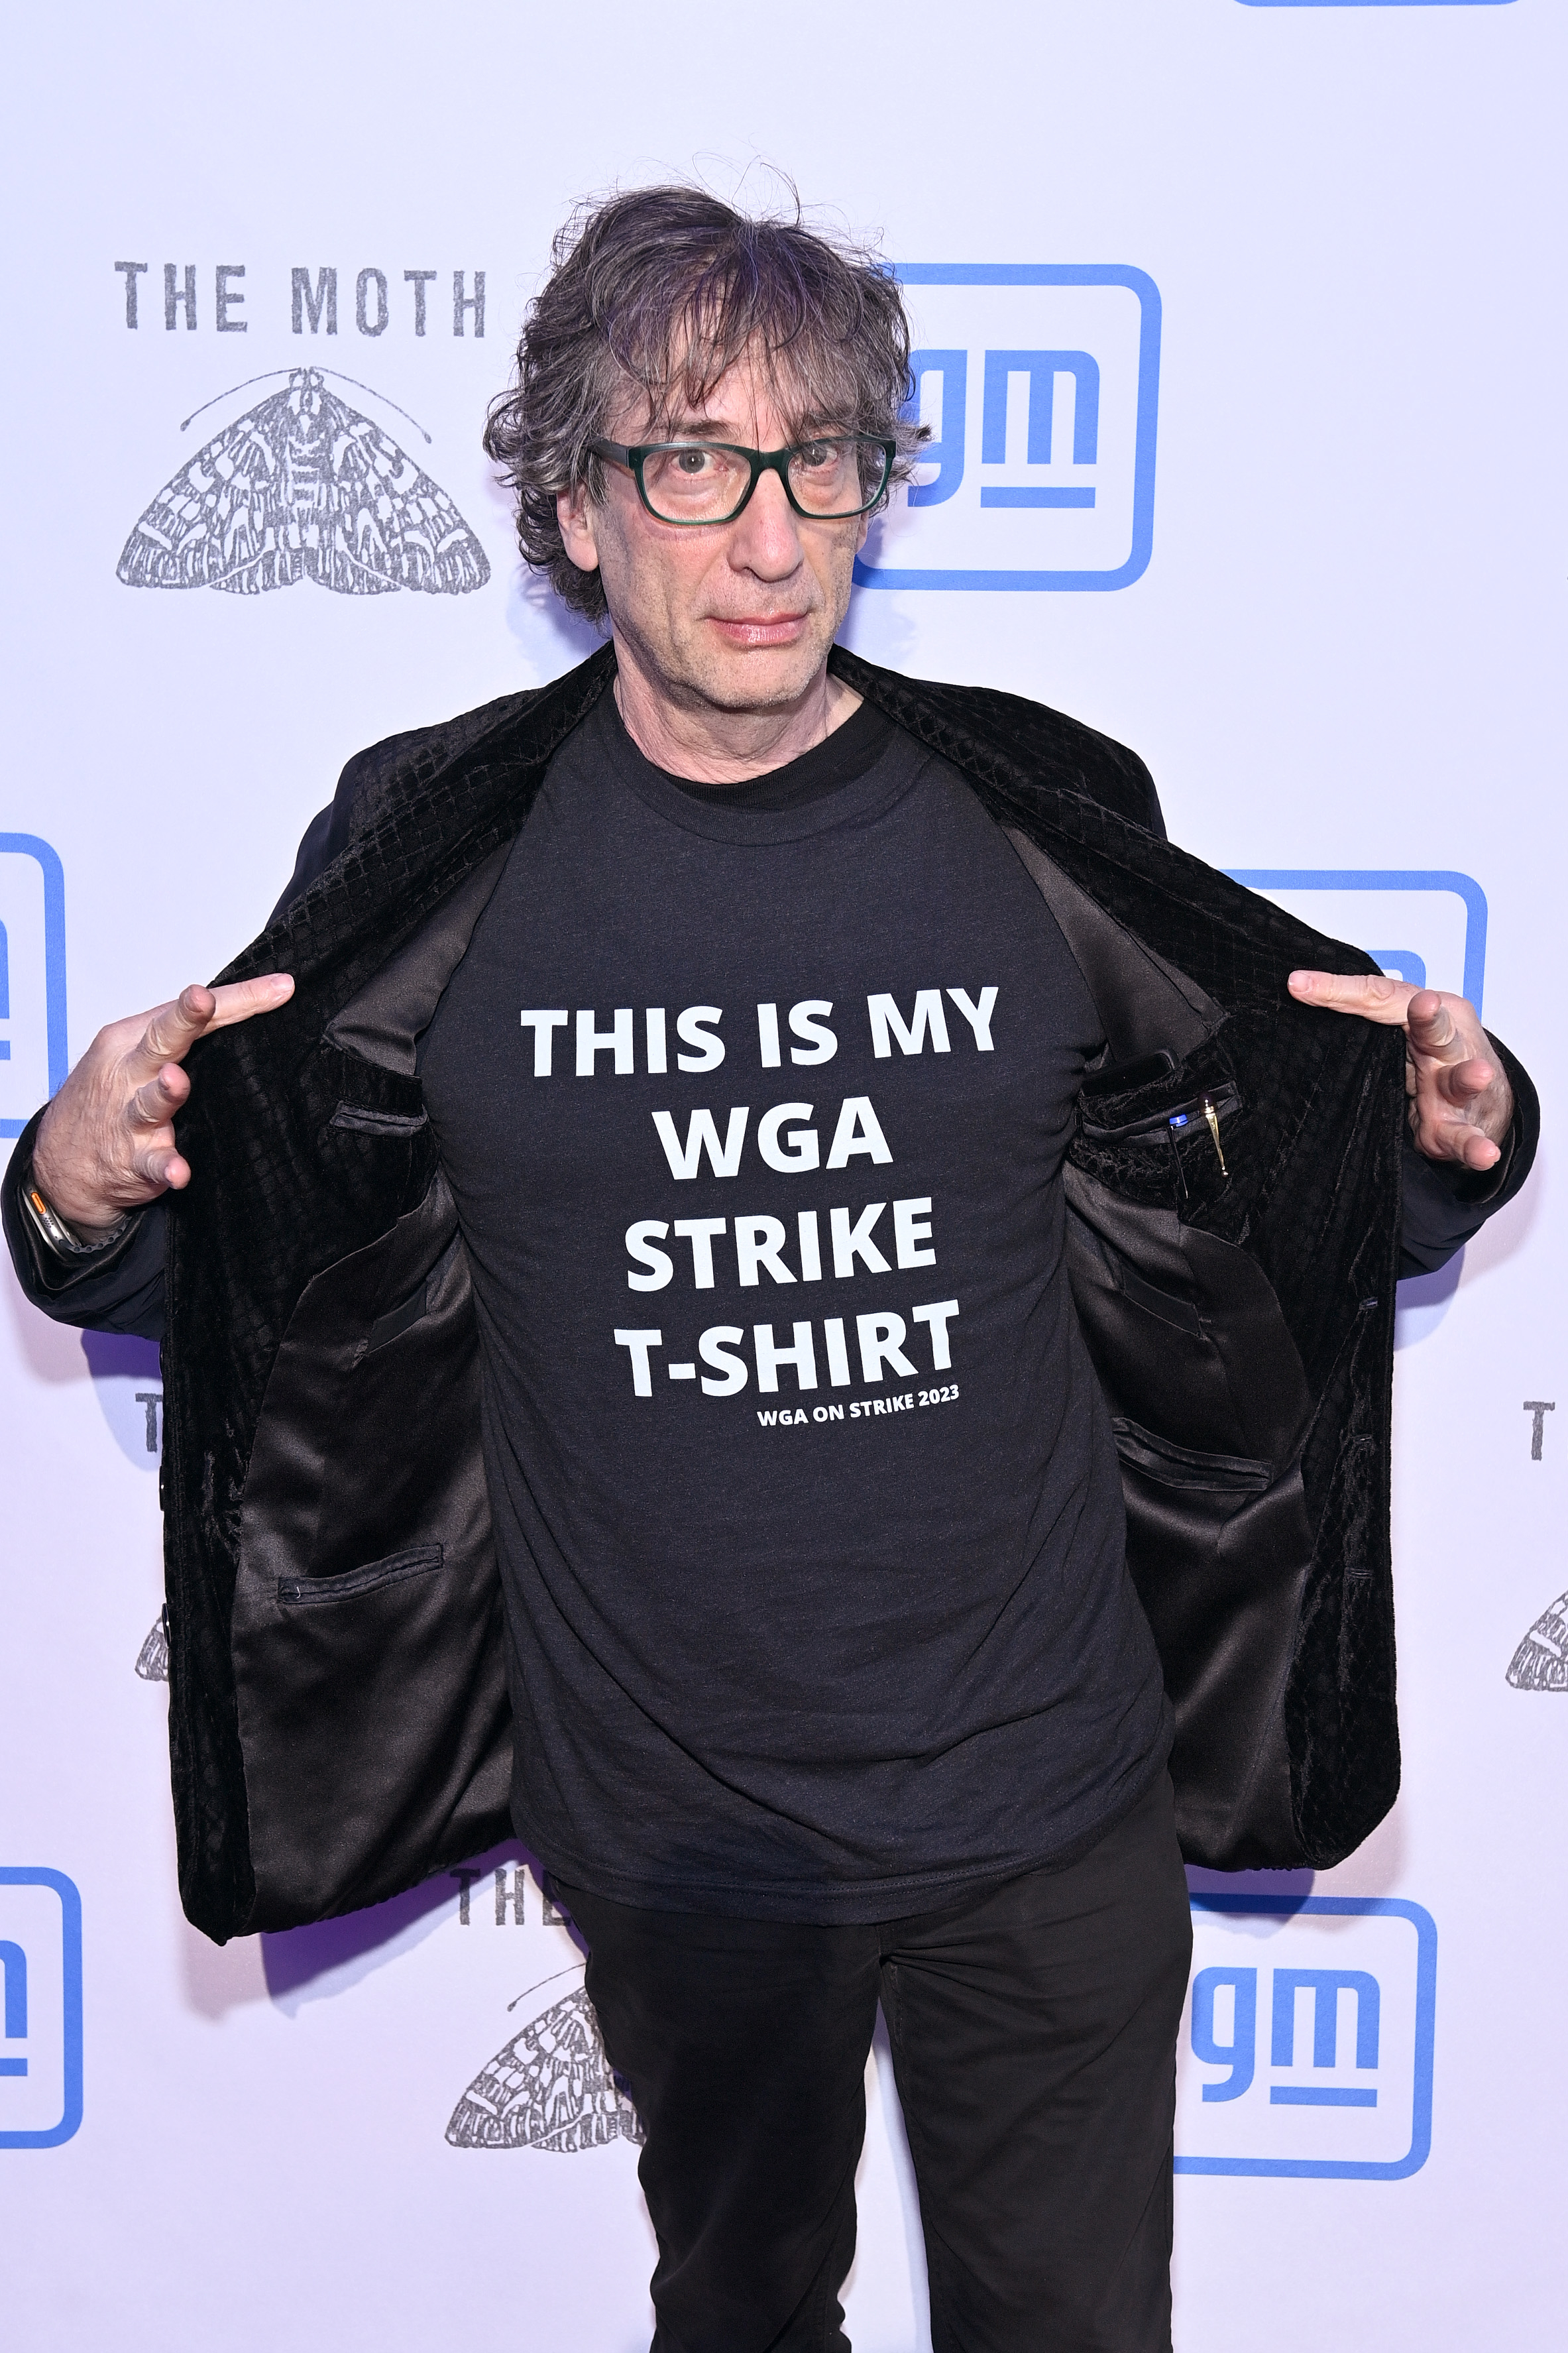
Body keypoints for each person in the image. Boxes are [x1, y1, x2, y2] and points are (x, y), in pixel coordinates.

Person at [3, 188, 1536, 2351]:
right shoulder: (428, 849)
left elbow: (1255, 1217)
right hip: (681, 1827)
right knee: (740, 2323)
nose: (770, 537)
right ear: (576, 502)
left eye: (822, 461)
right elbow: (264, 1279)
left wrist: (1447, 1147)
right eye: (695, 464)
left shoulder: (1039, 813)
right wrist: (75, 1185)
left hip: (1053, 1796)